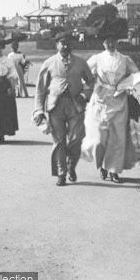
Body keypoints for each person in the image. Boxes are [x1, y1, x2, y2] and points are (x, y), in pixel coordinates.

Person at [80, 24, 140, 183]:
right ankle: (101, 165)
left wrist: (126, 85)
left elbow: (136, 74)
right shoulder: (97, 58)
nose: (110, 44)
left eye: (113, 40)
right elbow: (84, 73)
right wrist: (89, 84)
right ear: (103, 43)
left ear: (117, 42)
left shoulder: (124, 59)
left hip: (119, 99)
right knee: (100, 137)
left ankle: (114, 170)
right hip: (100, 100)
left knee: (117, 137)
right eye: (107, 41)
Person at [33, 32, 95, 186]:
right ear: (57, 45)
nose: (65, 45)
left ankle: (71, 166)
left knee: (76, 140)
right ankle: (61, 173)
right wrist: (39, 110)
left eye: (68, 43)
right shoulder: (49, 63)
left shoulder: (81, 62)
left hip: (76, 106)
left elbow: (91, 83)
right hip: (55, 107)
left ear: (72, 45)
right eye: (62, 42)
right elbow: (40, 89)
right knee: (59, 141)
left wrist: (84, 94)